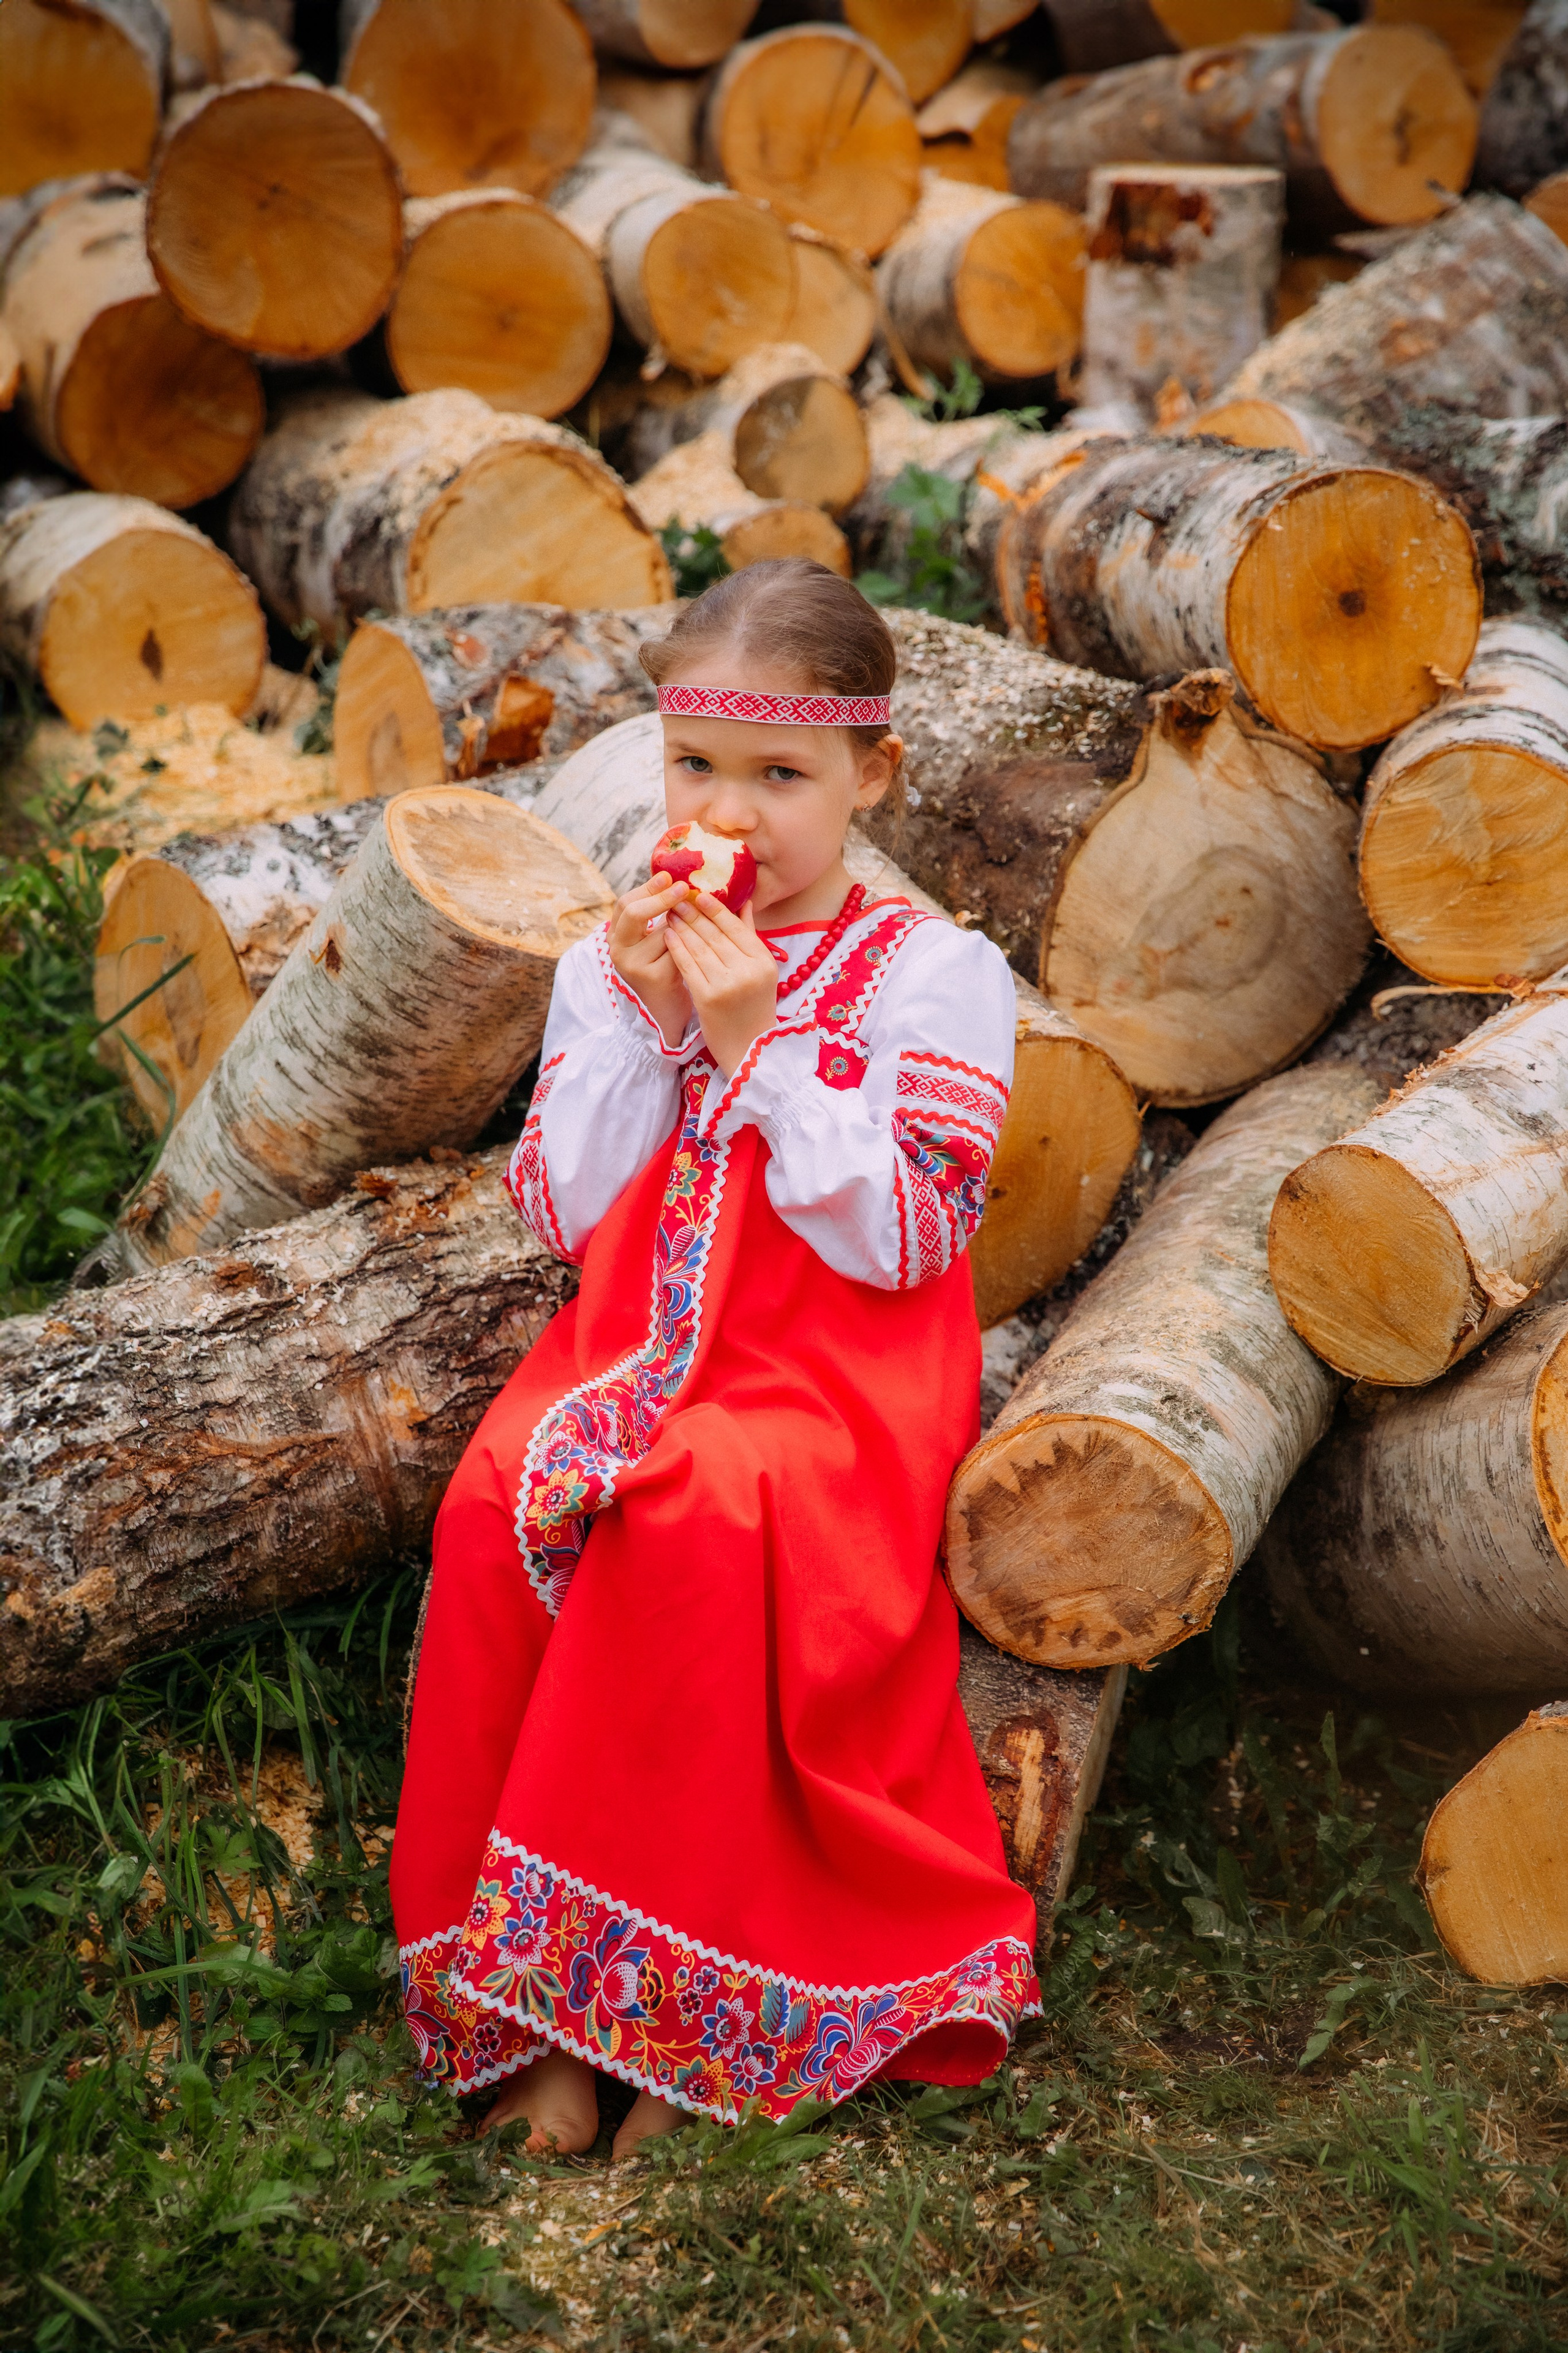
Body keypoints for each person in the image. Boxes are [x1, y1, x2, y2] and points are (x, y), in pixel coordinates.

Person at [391, 559, 1041, 2162]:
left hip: (833, 1385)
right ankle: (534, 2014)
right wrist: (627, 1009)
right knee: (493, 1502)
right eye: (696, 767)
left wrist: (761, 1048)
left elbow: (908, 1234)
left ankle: (678, 2011)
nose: (731, 815)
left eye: (781, 776)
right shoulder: (618, 960)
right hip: (626, 1343)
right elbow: (560, 1205)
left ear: (871, 775)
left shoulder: (932, 975)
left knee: (694, 1519)